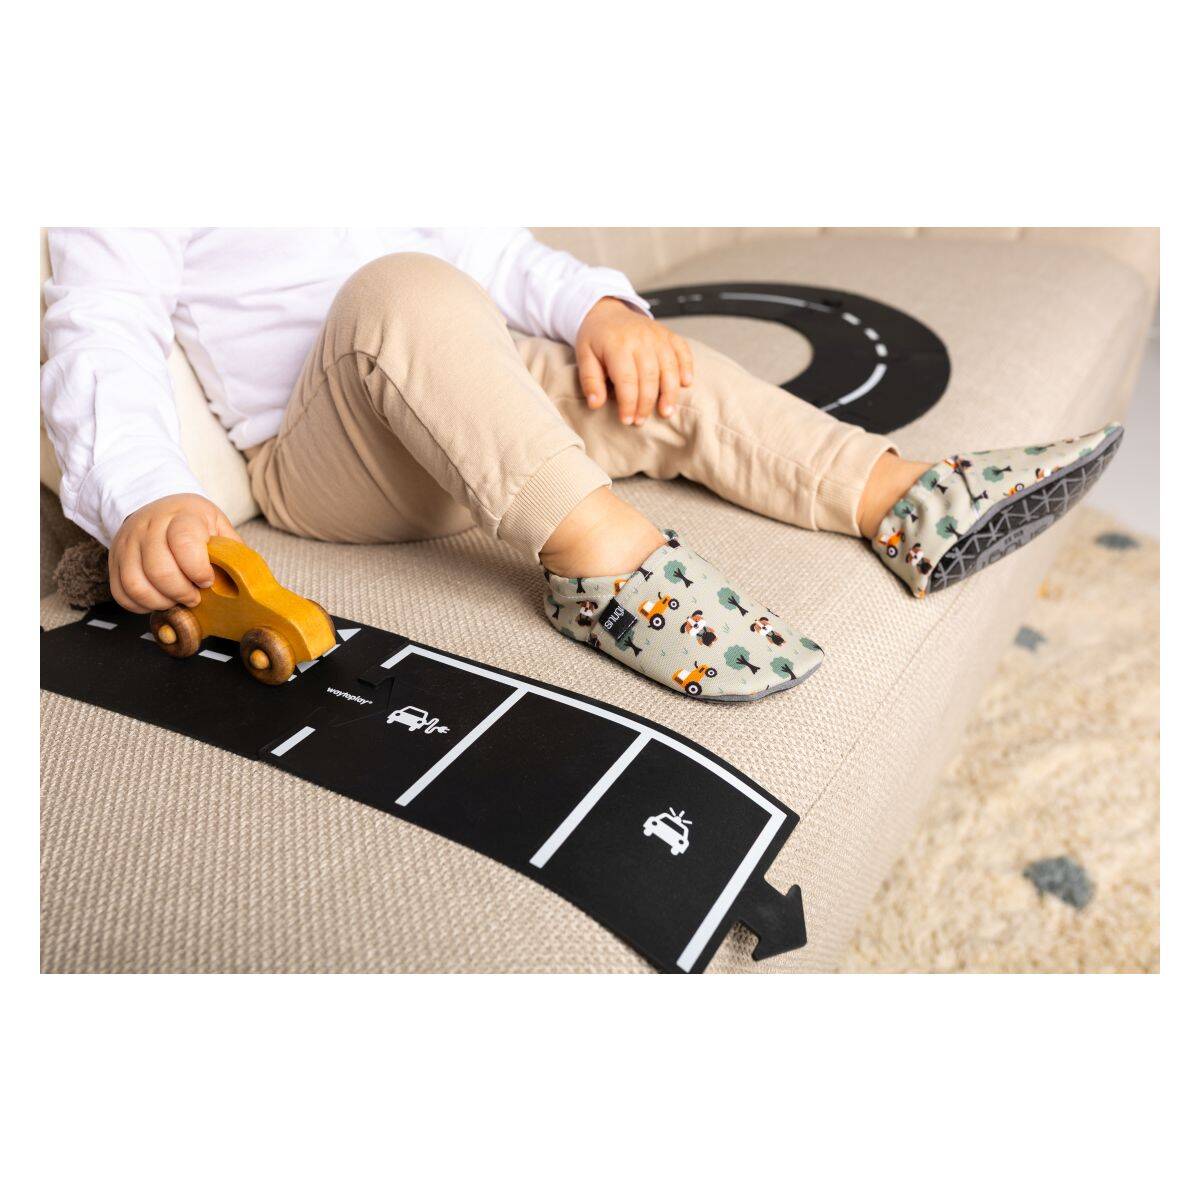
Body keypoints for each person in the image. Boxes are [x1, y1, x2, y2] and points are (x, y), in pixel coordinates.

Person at [41, 228, 1121, 702]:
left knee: (648, 381)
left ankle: (898, 498)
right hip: (326, 457)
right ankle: (604, 563)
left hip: (466, 413)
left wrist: (599, 309)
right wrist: (147, 492)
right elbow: (101, 327)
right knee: (400, 290)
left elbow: (491, 250)